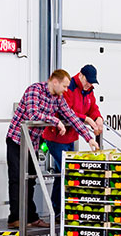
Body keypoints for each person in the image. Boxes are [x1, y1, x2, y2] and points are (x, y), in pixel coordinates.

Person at [6, 69, 98, 228]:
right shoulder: (34, 91)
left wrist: (89, 138)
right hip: (17, 140)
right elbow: (33, 115)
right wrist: (55, 121)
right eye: (64, 86)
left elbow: (71, 117)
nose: (66, 90)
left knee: (31, 179)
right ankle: (15, 218)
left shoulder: (58, 98)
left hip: (32, 143)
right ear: (54, 81)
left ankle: (31, 217)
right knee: (17, 179)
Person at [39, 64, 105, 215]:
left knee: (61, 172)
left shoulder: (88, 91)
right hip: (56, 136)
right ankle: (63, 210)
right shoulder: (68, 89)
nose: (89, 85)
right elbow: (68, 112)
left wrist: (98, 118)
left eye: (92, 83)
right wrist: (86, 119)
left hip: (71, 137)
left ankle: (58, 210)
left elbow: (92, 107)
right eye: (88, 81)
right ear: (81, 76)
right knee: (66, 170)